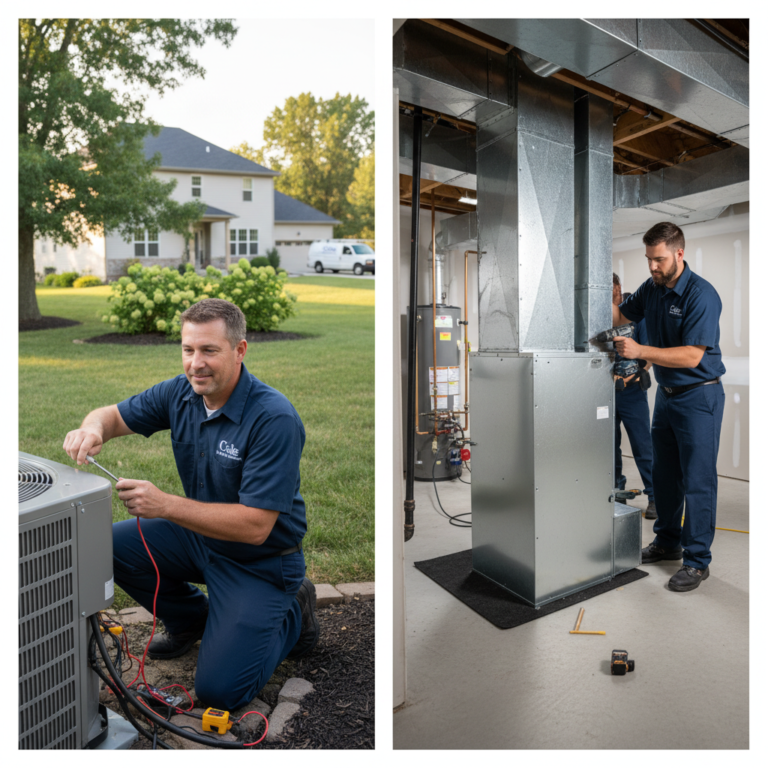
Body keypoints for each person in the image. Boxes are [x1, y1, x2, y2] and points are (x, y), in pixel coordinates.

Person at [63, 298, 319, 709]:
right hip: (200, 536)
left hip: (260, 559)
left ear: (240, 351)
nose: (195, 363)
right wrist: (91, 430)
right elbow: (109, 416)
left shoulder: (274, 418)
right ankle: (190, 620)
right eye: (188, 350)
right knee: (106, 547)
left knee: (221, 692)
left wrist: (164, 505)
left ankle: (293, 610)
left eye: (209, 351)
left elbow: (256, 526)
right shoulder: (180, 394)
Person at [613, 222, 725, 592]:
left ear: (679, 252)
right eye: (648, 260)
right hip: (667, 396)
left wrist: (641, 351)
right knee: (664, 475)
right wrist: (594, 298)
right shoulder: (653, 288)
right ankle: (667, 542)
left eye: (659, 259)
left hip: (699, 396)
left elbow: (693, 356)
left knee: (697, 481)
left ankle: (696, 562)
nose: (652, 267)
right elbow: (621, 316)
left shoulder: (701, 294)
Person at [612, 274, 656, 520]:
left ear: (617, 287)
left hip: (631, 393)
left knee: (643, 446)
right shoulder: (596, 314)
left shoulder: (635, 313)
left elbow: (650, 353)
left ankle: (655, 497)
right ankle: (616, 491)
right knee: (609, 447)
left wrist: (631, 378)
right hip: (604, 394)